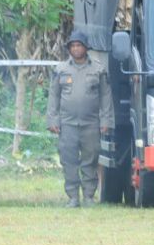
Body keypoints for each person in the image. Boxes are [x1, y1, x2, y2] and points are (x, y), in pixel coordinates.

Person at [47, 29, 113, 207]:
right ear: (69, 49)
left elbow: (106, 98)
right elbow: (53, 96)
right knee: (68, 161)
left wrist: (106, 121)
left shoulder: (98, 69)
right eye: (73, 46)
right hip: (67, 124)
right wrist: (52, 120)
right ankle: (73, 197)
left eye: (79, 45)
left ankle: (89, 196)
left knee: (90, 160)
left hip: (91, 123)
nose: (76, 49)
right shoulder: (61, 70)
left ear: (86, 48)